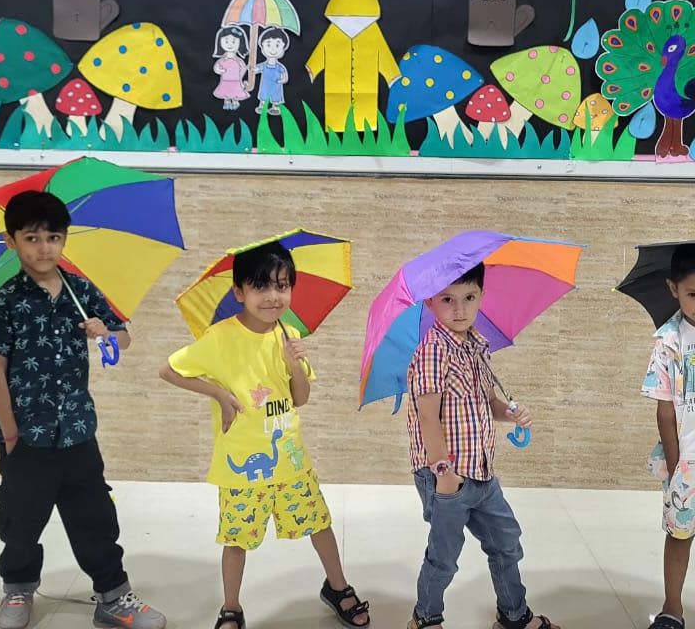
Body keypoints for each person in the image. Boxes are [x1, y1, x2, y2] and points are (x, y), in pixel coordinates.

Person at [159, 241, 369, 629]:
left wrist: (294, 364)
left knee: (319, 523)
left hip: (291, 460)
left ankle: (337, 586)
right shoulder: (220, 337)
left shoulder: (288, 333)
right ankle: (231, 607)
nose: (273, 296)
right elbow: (169, 370)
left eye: (282, 285)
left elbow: (300, 398)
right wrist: (219, 393)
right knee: (236, 539)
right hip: (241, 465)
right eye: (260, 286)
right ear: (239, 292)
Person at [0, 190, 166, 629]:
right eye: (31, 238)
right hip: (26, 434)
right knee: (21, 518)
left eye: (53, 237)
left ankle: (113, 596)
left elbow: (123, 340)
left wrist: (105, 333)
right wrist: (11, 433)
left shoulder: (81, 291)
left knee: (94, 514)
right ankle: (18, 587)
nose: (44, 248)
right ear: (11, 241)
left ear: (65, 239)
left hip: (78, 428)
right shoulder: (4, 302)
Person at [405, 262, 559, 629]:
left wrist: (511, 413)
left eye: (469, 297)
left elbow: (487, 402)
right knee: (444, 556)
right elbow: (427, 417)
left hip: (483, 472)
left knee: (506, 542)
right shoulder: (432, 351)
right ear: (430, 302)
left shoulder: (477, 345)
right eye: (448, 299)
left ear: (481, 297)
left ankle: (513, 615)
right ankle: (425, 618)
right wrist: (443, 473)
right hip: (448, 476)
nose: (459, 309)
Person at [643, 243, 695, 629]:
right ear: (673, 289)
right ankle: (672, 608)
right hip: (687, 460)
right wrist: (677, 465)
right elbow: (664, 410)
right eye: (693, 294)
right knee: (680, 533)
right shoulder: (668, 340)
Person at [212, 25, 250, 111]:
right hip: (225, 81)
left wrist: (241, 80)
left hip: (236, 81)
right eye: (226, 41)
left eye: (233, 41)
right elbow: (216, 67)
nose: (230, 44)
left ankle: (235, 102)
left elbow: (243, 69)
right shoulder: (222, 60)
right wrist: (218, 70)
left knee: (236, 93)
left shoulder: (239, 61)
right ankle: (227, 102)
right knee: (226, 93)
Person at [254, 27, 289, 116]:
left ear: (283, 48)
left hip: (276, 85)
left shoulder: (279, 67)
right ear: (262, 47)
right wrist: (253, 69)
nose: (273, 49)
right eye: (268, 45)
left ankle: (275, 107)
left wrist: (283, 80)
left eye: (277, 45)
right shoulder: (264, 65)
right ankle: (262, 106)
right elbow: (256, 69)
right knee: (264, 95)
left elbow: (284, 75)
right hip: (265, 85)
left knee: (275, 96)